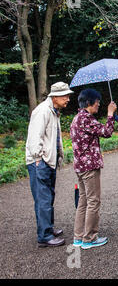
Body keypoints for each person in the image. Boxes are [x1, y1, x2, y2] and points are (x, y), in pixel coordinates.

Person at [26, 81, 74, 247]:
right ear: (55, 97)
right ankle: (45, 237)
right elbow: (34, 138)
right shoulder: (42, 111)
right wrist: (39, 159)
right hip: (40, 162)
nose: (68, 99)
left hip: (48, 161)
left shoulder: (54, 111)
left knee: (48, 196)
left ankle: (48, 227)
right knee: (43, 198)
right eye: (66, 95)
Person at [70, 88, 117, 249]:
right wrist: (110, 114)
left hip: (80, 167)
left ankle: (78, 237)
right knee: (93, 201)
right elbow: (107, 132)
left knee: (83, 201)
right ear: (89, 102)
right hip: (89, 167)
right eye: (97, 102)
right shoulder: (86, 119)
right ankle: (89, 238)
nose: (99, 105)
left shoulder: (77, 118)